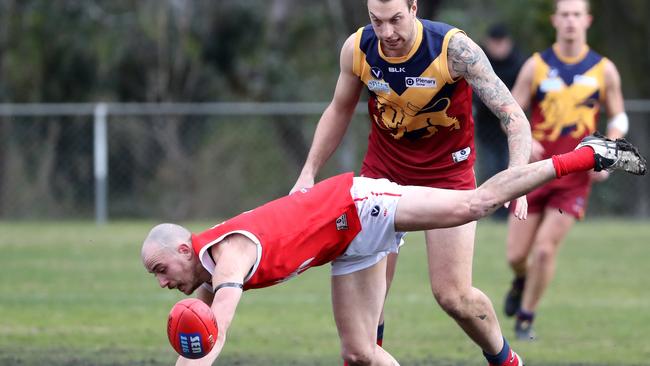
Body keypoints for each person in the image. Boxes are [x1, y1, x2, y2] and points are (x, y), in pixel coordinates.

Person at [142, 134, 645, 366]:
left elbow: (217, 328)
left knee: (476, 203)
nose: (164, 283)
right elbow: (201, 347)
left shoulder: (227, 255)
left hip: (359, 203)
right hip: (345, 243)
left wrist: (204, 339)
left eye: (161, 269)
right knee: (360, 352)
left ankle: (587, 154)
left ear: (185, 248)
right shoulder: (204, 270)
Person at [290, 0, 532, 364]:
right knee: (369, 296)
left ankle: (505, 359)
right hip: (382, 176)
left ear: (414, 8)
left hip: (447, 178)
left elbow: (513, 115)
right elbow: (339, 109)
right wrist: (308, 172)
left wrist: (517, 179)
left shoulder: (454, 49)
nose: (386, 32)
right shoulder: (358, 48)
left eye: (395, 20)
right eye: (377, 21)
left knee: (453, 295)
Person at [503, 0, 631, 340]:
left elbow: (618, 118)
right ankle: (520, 279)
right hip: (536, 171)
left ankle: (526, 319)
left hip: (574, 177)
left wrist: (609, 151)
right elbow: (511, 108)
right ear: (555, 21)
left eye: (577, 15)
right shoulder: (536, 66)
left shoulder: (604, 70)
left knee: (545, 250)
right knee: (516, 255)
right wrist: (525, 140)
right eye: (565, 15)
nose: (571, 21)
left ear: (586, 20)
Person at [474, 23, 525, 220]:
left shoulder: (519, 62)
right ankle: (493, 212)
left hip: (512, 127)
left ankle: (510, 211)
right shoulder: (479, 61)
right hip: (486, 127)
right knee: (491, 167)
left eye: (502, 43)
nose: (499, 47)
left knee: (509, 166)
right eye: (494, 43)